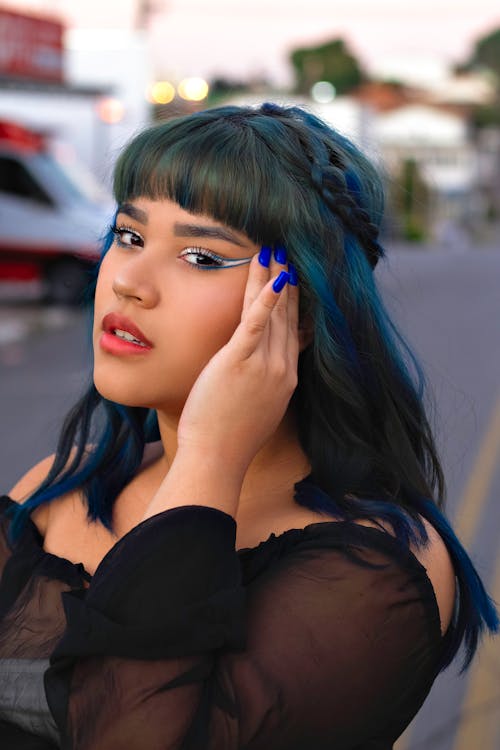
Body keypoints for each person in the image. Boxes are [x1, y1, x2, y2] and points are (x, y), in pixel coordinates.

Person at [0, 102, 497, 750]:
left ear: (302, 308)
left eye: (202, 256)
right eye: (129, 236)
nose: (131, 283)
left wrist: (208, 459)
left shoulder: (376, 569)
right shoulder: (59, 488)